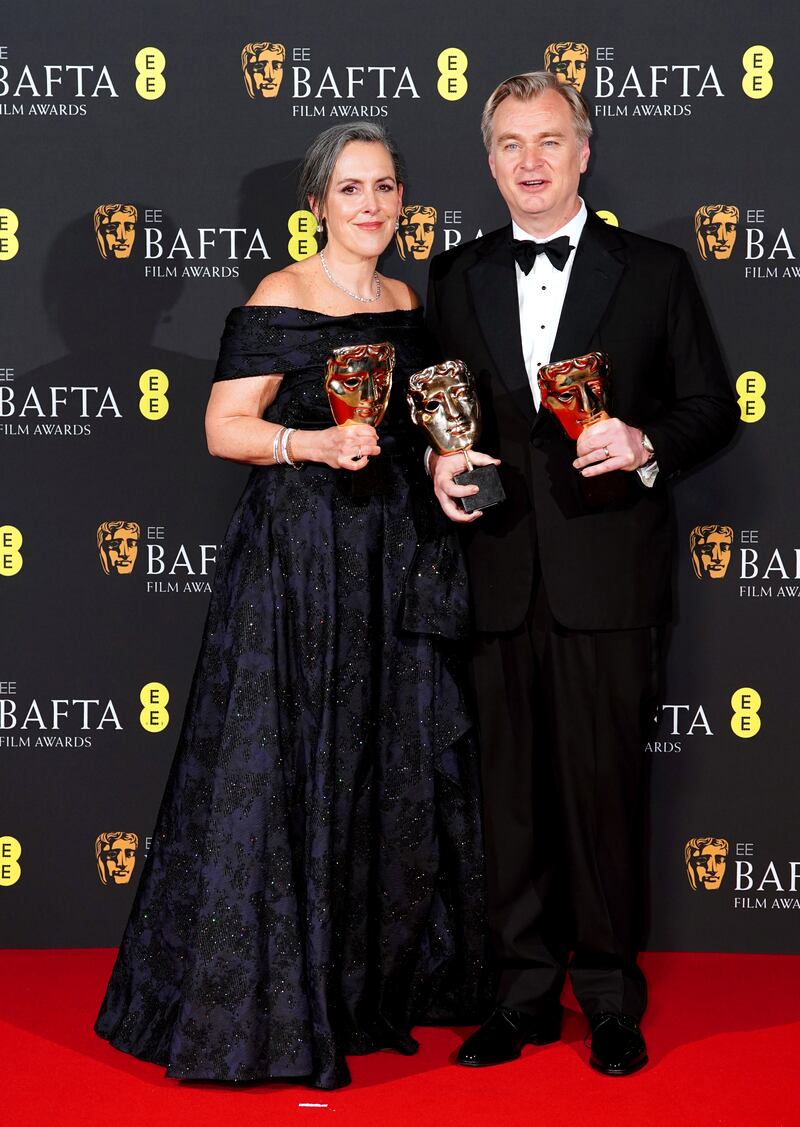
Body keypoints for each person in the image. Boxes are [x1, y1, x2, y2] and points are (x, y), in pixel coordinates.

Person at [95, 122, 486, 1090]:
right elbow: (223, 426)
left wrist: (442, 460)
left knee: (375, 753)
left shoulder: (403, 300)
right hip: (299, 554)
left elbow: (421, 420)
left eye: (385, 187)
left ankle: (359, 982)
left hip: (387, 547)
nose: (370, 204)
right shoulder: (279, 293)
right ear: (315, 203)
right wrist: (309, 446)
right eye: (349, 187)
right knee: (290, 753)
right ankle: (270, 997)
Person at [425, 71, 738, 1076]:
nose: (529, 160)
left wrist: (642, 438)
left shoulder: (650, 269)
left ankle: (607, 996)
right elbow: (438, 409)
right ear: (487, 160)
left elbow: (712, 406)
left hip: (608, 575)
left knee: (602, 797)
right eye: (509, 142)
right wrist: (434, 458)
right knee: (507, 803)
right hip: (497, 572)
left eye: (548, 140)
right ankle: (518, 997)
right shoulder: (453, 273)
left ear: (583, 151)